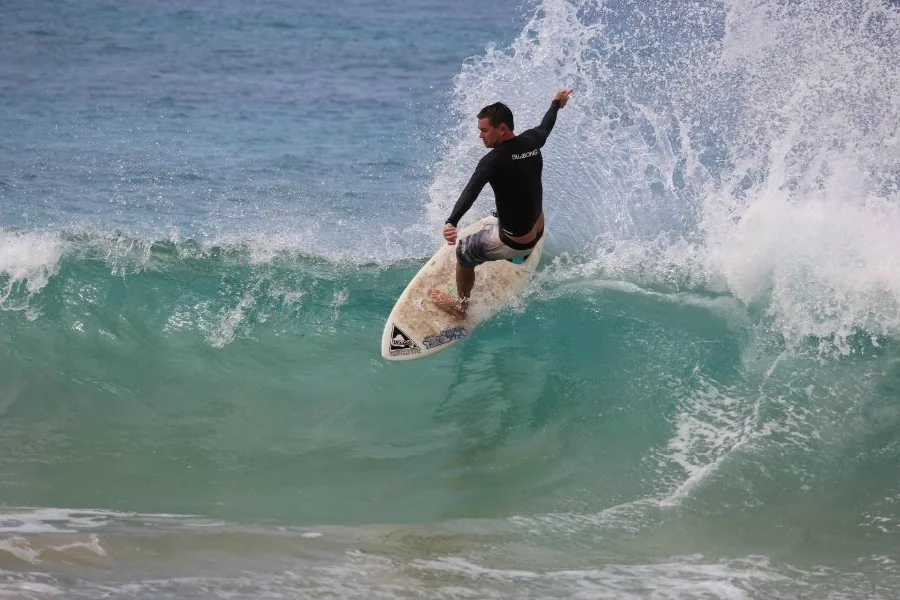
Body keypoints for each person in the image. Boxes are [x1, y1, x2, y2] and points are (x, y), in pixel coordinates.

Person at [429, 89, 572, 319]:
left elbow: (471, 191)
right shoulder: (531, 140)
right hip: (537, 227)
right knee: (507, 202)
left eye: (484, 130)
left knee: (464, 252)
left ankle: (461, 307)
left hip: (517, 241)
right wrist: (556, 103)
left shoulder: (492, 161)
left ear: (502, 129)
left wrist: (451, 221)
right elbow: (546, 126)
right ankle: (518, 253)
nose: (480, 136)